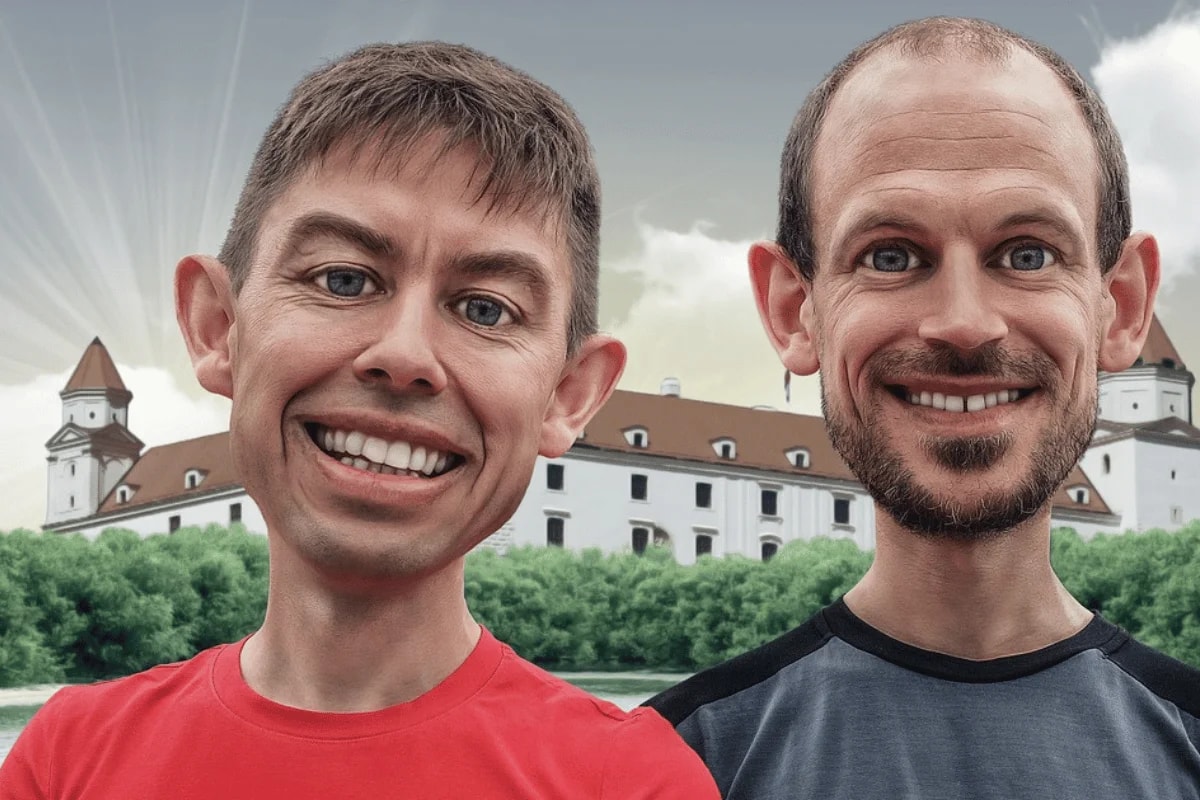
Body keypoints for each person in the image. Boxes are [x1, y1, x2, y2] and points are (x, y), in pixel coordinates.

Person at [2, 42, 719, 799]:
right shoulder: (68, 761)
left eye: (485, 309)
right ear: (219, 327)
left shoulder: (631, 784)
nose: (405, 354)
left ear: (569, 394)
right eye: (343, 279)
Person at [647, 16, 1200, 799]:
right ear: (792, 311)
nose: (965, 322)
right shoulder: (670, 769)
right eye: (891, 256)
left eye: (1028, 253)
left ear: (1122, 305)